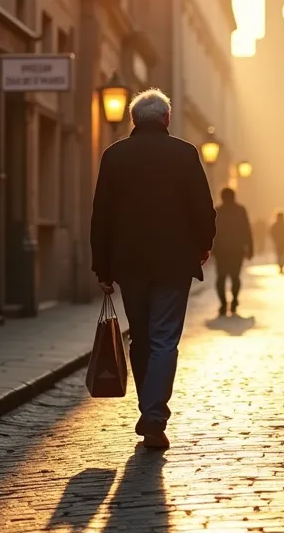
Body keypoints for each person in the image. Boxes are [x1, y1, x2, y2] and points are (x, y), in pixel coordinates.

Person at [90, 89, 216, 450]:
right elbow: (203, 208)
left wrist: (102, 267)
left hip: (129, 264)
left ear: (134, 120)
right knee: (163, 339)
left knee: (142, 337)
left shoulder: (114, 156)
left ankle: (149, 410)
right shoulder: (184, 153)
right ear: (166, 119)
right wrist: (203, 244)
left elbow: (102, 215)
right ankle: (154, 415)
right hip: (174, 262)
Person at [213, 187, 253, 316]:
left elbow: (212, 232)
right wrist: (250, 247)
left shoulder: (218, 211)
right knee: (235, 277)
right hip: (236, 249)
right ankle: (234, 301)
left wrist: (210, 247)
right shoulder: (240, 211)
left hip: (221, 250)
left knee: (221, 277)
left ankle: (224, 304)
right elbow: (247, 230)